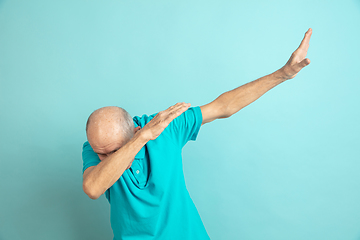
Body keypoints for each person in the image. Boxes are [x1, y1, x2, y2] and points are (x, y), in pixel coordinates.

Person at [82, 28, 313, 240]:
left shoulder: (165, 127)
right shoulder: (98, 145)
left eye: (113, 152)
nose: (104, 159)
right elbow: (93, 188)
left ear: (134, 129)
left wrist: (282, 74)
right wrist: (142, 139)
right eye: (100, 154)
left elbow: (224, 106)